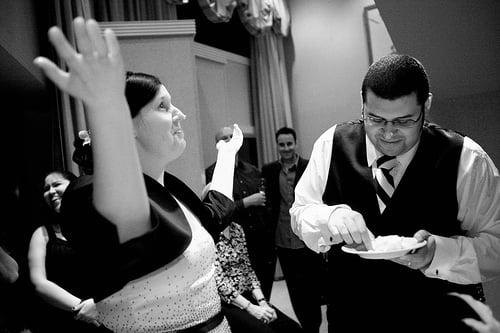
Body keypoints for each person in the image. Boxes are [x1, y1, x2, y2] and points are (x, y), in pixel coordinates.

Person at [34, 17, 243, 332]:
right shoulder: (91, 193)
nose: (180, 115)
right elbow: (134, 224)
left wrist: (227, 154)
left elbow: (214, 214)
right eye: (163, 106)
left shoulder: (170, 189)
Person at [290, 54, 500, 332]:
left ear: (426, 105)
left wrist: (439, 253)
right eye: (375, 119)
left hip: (441, 319)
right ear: (362, 103)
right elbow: (300, 213)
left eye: (404, 121)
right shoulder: (331, 143)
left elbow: (496, 246)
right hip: (352, 316)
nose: (388, 134)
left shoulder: (466, 158)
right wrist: (329, 217)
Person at [28, 170, 108, 332]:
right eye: (46, 188)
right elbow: (39, 282)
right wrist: (83, 307)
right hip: (64, 320)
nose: (50, 191)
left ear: (74, 186)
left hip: (106, 314)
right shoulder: (42, 233)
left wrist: (100, 306)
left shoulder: (100, 225)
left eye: (56, 184)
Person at [261, 127, 323, 333]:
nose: (286, 148)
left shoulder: (310, 166)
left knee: (311, 290)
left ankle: (313, 327)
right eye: (282, 144)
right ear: (277, 145)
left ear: (295, 144)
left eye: (289, 144)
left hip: (308, 241)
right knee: (295, 291)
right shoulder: (269, 170)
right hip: (282, 240)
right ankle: (307, 328)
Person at [206, 127, 275, 298]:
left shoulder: (253, 170)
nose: (230, 140)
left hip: (261, 238)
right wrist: (246, 202)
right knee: (243, 292)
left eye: (232, 136)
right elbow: (219, 208)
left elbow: (265, 204)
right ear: (218, 145)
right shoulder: (213, 173)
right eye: (224, 138)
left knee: (264, 290)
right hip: (235, 242)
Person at [214, 222, 303, 333]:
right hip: (227, 303)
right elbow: (220, 284)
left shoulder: (236, 228)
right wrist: (251, 308)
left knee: (293, 328)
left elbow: (248, 270)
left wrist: (263, 303)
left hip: (246, 295)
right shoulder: (209, 234)